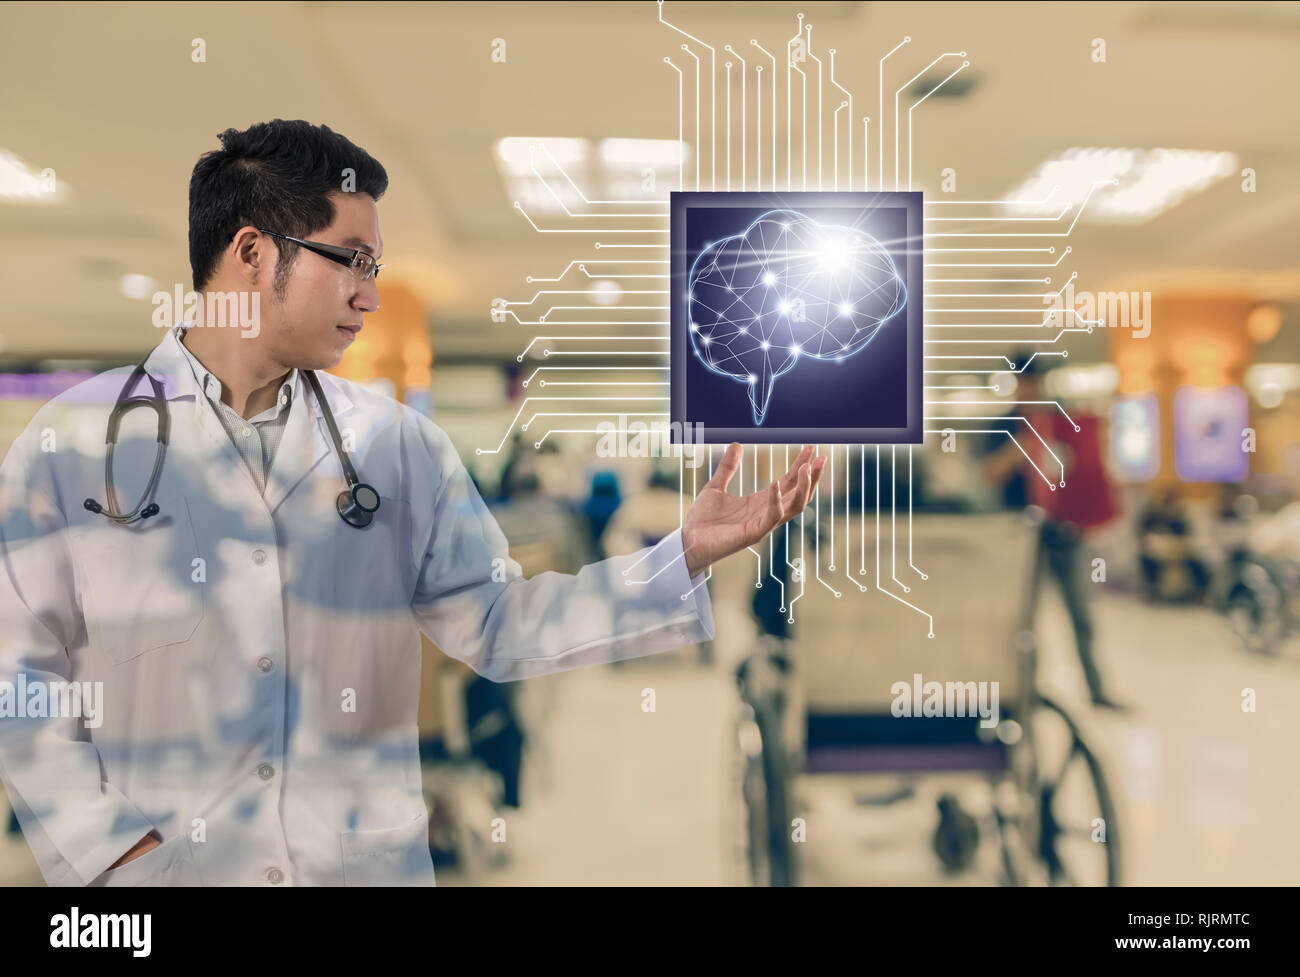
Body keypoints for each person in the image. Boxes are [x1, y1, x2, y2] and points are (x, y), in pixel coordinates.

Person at [0, 120, 827, 887]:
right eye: (350, 259)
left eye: (375, 267)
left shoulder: (397, 447)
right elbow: (18, 676)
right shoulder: (73, 443)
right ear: (251, 253)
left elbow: (504, 622)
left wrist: (678, 553)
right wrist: (116, 850)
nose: (370, 294)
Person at [982, 355, 1128, 711]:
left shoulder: (1062, 423)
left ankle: (1096, 690)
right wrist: (1024, 444)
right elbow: (989, 474)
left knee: (1081, 613)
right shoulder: (1001, 426)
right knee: (1021, 619)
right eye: (1025, 381)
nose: (1032, 388)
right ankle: (1021, 691)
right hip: (1020, 535)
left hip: (1066, 531)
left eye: (1036, 381)